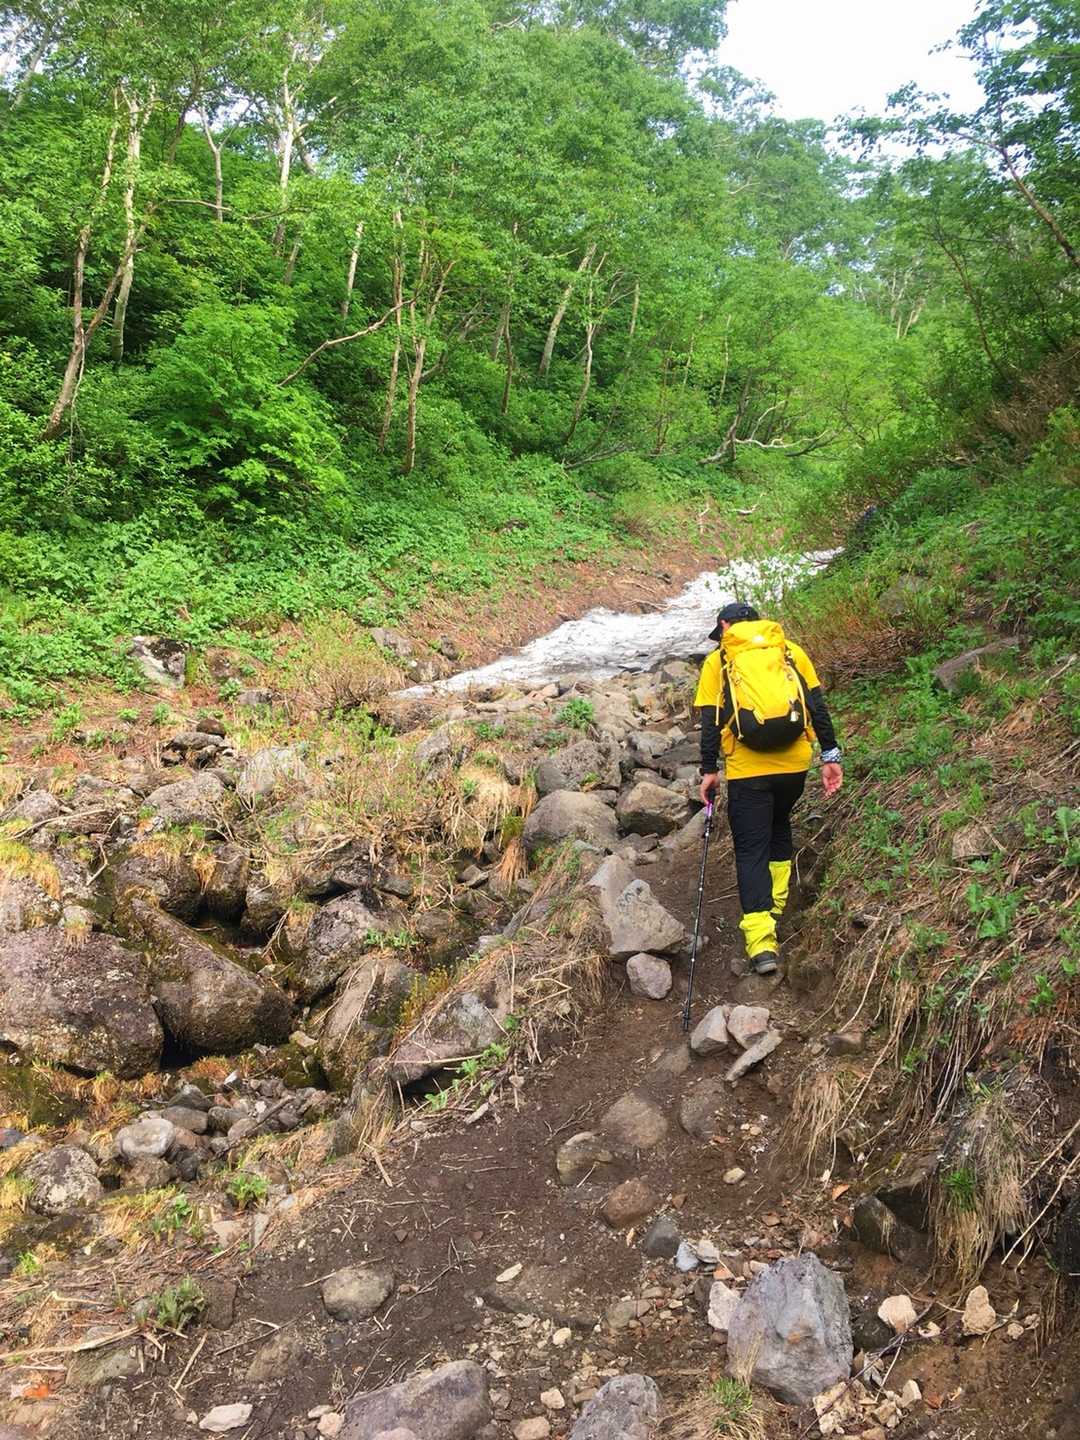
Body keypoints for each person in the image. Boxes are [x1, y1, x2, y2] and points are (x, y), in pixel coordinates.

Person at [696, 601, 842, 976]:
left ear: (725, 626)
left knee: (751, 849)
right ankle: (776, 905)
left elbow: (711, 721)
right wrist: (830, 755)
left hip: (748, 770)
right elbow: (816, 705)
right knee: (779, 822)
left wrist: (709, 771)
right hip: (795, 765)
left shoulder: (718, 660)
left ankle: (761, 943)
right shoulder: (790, 652)